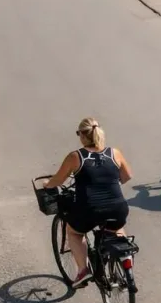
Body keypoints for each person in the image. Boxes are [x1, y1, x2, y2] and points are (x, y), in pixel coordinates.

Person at [42, 118, 133, 287]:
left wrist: (47, 184)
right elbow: (127, 176)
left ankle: (83, 271)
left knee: (74, 232)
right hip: (118, 208)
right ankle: (124, 258)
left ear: (83, 136)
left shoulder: (75, 156)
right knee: (116, 227)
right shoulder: (114, 153)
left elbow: (59, 180)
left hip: (90, 210)